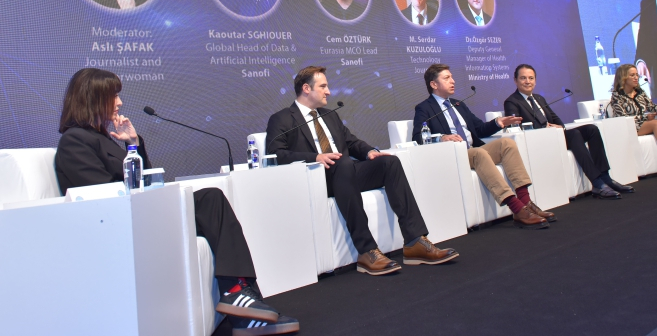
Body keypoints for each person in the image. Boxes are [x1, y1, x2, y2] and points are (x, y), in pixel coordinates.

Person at [54, 68, 298, 335]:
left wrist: (133, 144)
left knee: (211, 198)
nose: (120, 102)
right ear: (93, 98)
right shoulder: (74, 141)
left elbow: (144, 180)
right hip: (123, 225)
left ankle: (240, 294)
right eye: (113, 96)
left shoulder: (101, 138)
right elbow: (104, 199)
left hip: (143, 213)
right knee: (209, 200)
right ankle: (240, 297)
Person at [266, 66, 458, 276]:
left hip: (346, 172)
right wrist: (316, 158)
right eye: (323, 86)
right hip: (319, 177)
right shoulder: (282, 118)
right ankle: (367, 251)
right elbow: (276, 154)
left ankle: (415, 242)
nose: (328, 91)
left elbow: (351, 141)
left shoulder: (329, 115)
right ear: (306, 88)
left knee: (389, 163)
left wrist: (369, 152)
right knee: (343, 163)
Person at [413, 64, 553, 228]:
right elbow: (418, 137)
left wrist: (498, 123)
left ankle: (526, 202)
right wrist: (442, 138)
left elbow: (479, 129)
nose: (453, 81)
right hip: (454, 155)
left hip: (473, 150)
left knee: (507, 144)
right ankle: (517, 208)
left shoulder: (458, 105)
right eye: (447, 78)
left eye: (452, 77)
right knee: (479, 153)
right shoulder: (424, 108)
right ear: (434, 84)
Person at [504, 64, 635, 199]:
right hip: (539, 141)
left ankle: (606, 177)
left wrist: (559, 127)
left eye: (531, 78)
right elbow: (516, 128)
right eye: (523, 78)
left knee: (592, 129)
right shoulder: (512, 102)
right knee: (574, 134)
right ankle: (597, 183)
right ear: (515, 80)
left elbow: (555, 119)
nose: (528, 81)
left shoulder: (539, 98)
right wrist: (544, 129)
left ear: (535, 81)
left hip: (555, 136)